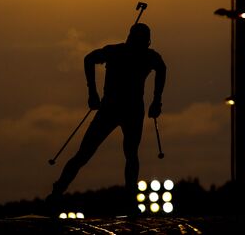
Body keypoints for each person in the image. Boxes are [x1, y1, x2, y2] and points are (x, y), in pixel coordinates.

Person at [47, 23, 166, 211]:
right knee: (90, 153)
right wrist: (92, 93)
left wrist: (157, 100)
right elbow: (89, 59)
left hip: (124, 109)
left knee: (127, 154)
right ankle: (57, 193)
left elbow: (162, 69)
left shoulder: (124, 53)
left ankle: (128, 200)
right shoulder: (138, 54)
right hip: (116, 109)